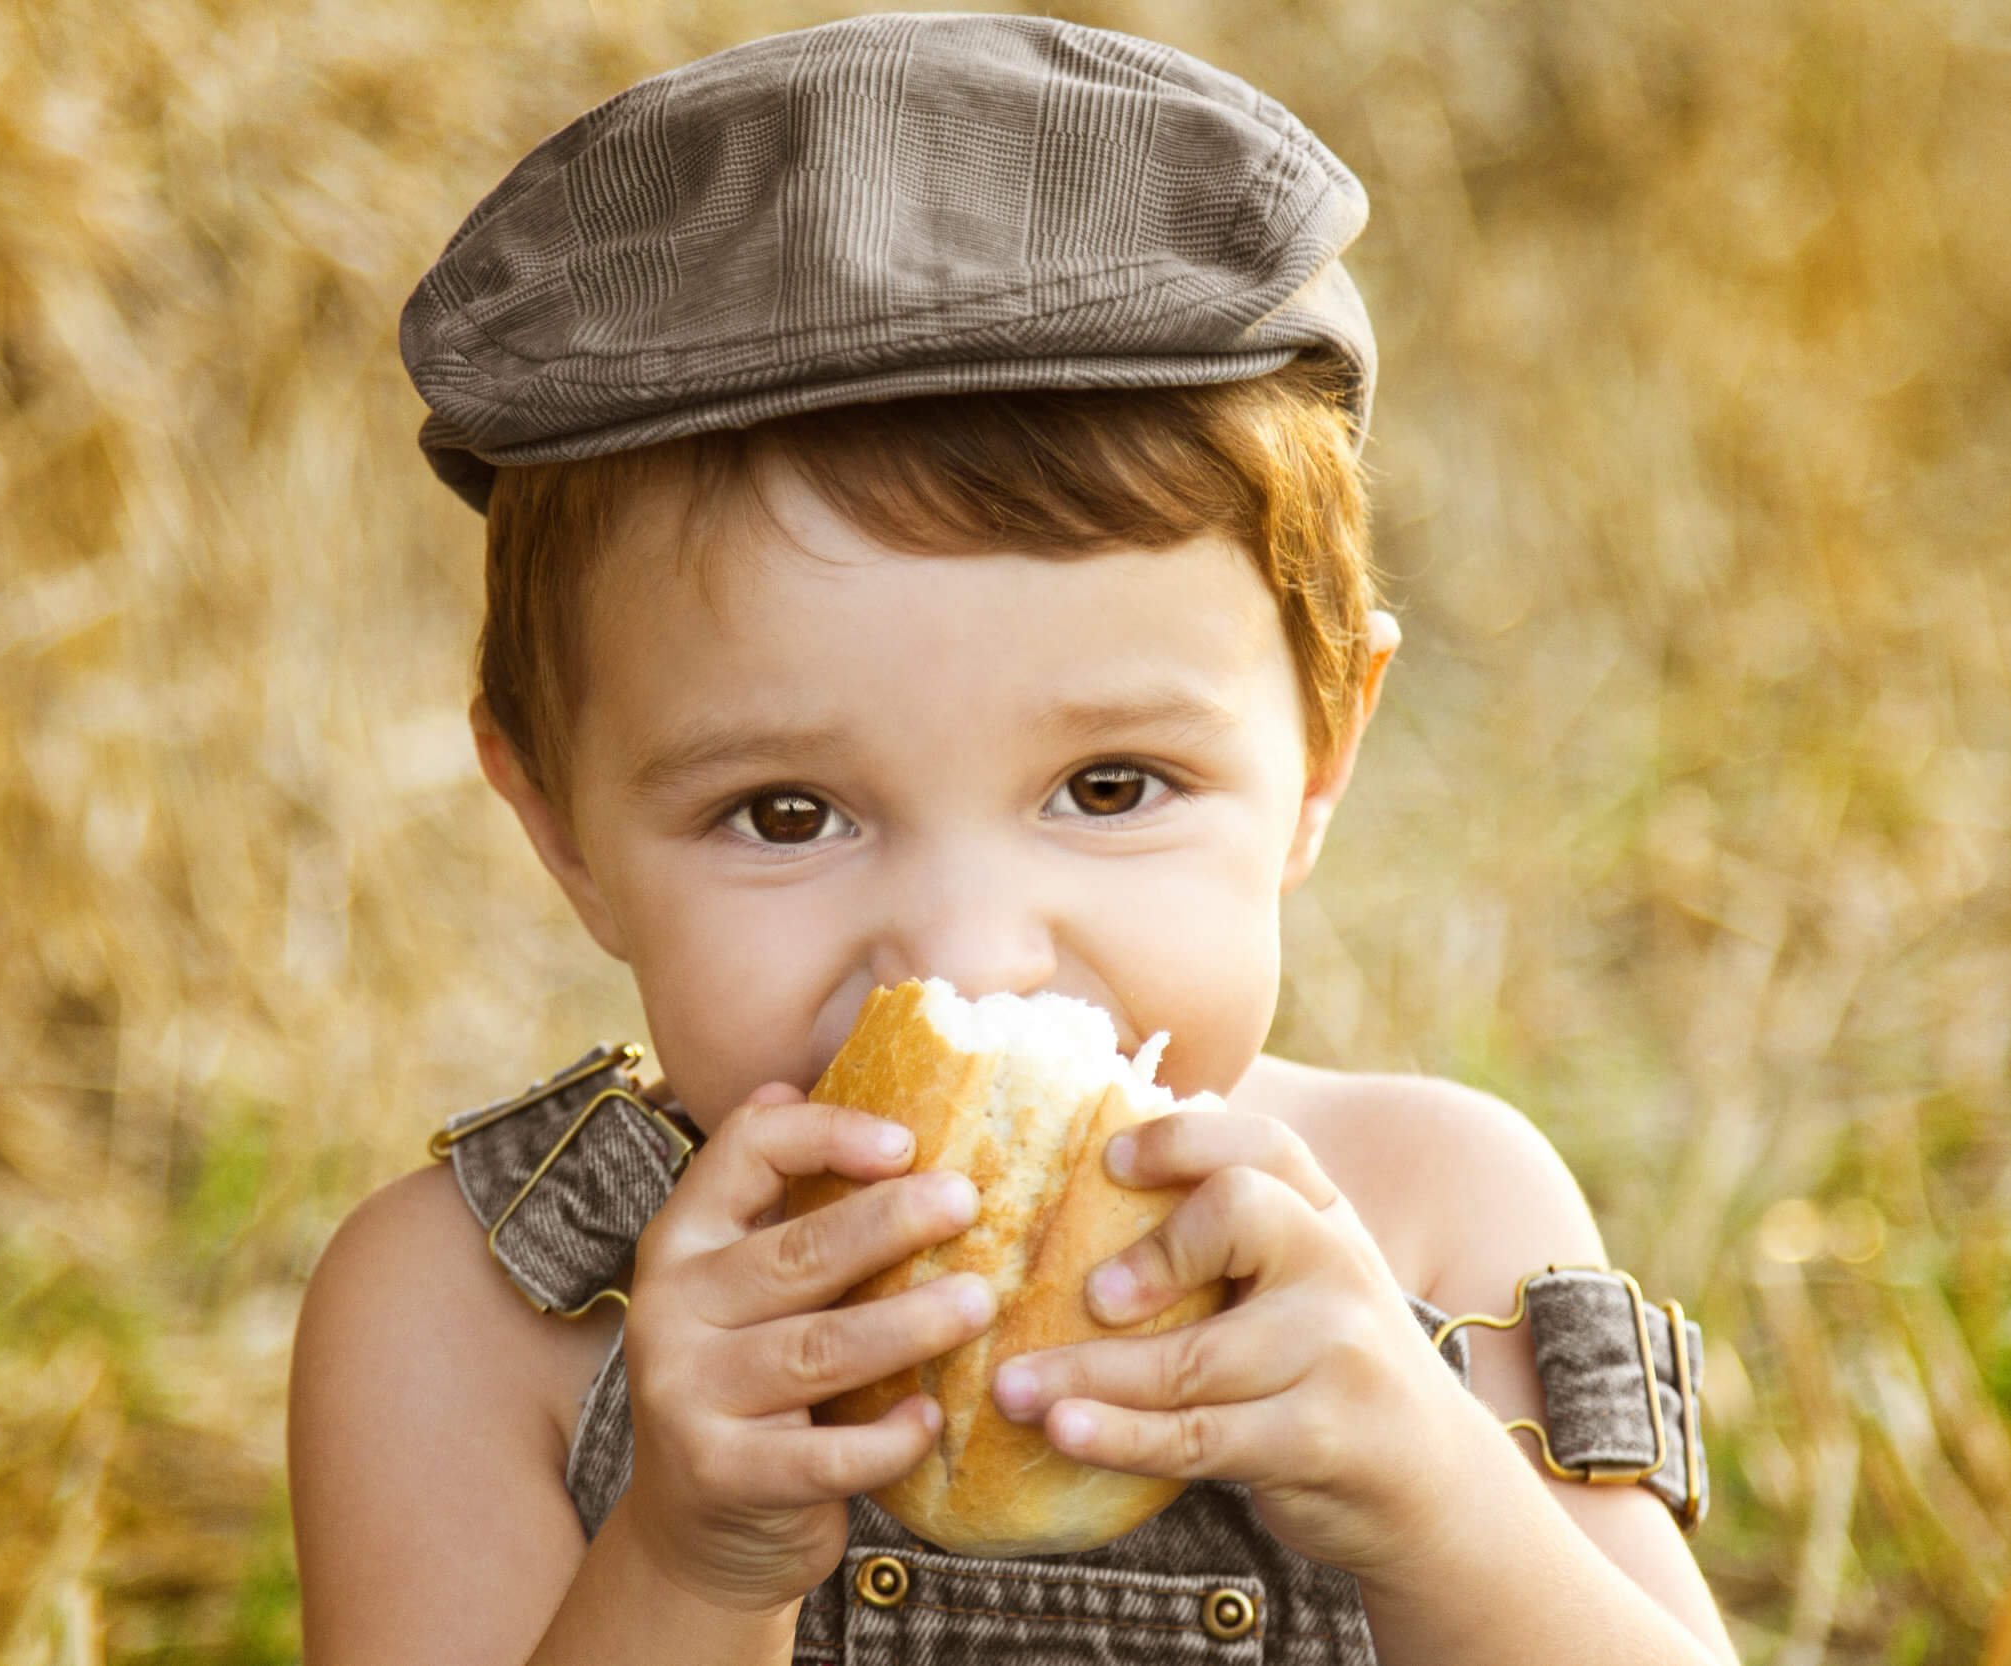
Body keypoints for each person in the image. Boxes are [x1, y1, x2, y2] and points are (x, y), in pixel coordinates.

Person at [287, 14, 1737, 1666]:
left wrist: (1434, 1496)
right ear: (558, 822)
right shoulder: (469, 1319)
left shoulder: (1441, 1216)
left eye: (1109, 787)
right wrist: (693, 1565)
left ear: (1324, 753)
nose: (971, 948)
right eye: (786, 813)